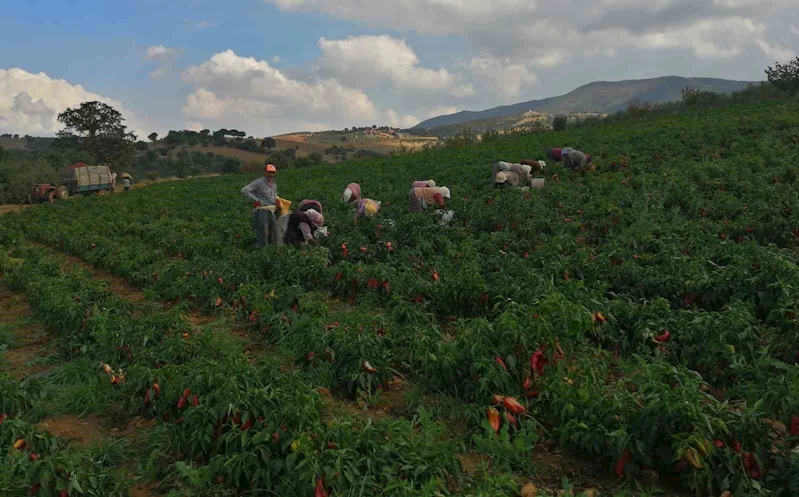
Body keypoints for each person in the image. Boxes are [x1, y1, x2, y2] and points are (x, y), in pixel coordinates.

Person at [241, 163, 278, 248]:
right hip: (262, 209)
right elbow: (245, 190)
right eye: (269, 172)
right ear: (265, 172)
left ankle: (273, 248)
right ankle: (263, 249)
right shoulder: (259, 182)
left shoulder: (274, 184)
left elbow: (274, 194)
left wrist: (276, 200)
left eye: (273, 172)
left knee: (274, 230)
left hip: (272, 209)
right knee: (263, 231)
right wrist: (256, 200)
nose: (271, 174)